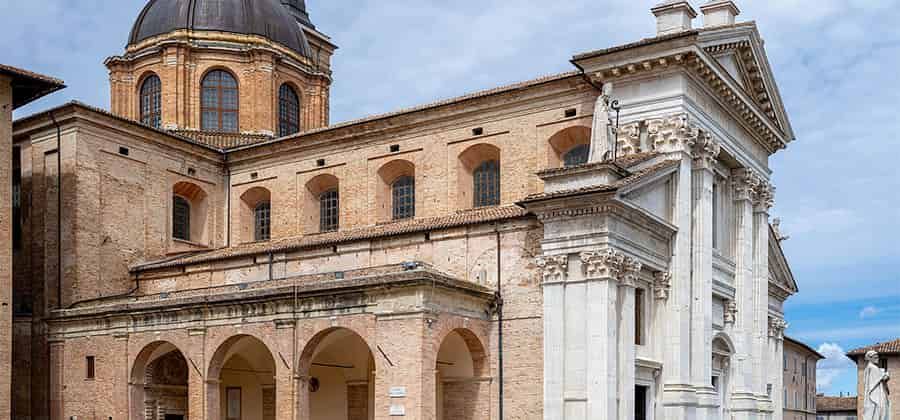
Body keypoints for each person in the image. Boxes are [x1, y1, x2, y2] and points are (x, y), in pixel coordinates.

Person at [864, 350, 891, 420]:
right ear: (870, 358)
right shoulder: (872, 367)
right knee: (881, 409)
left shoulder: (868, 368)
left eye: (878, 357)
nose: (878, 359)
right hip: (876, 393)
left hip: (877, 392)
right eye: (875, 357)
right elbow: (883, 377)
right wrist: (887, 374)